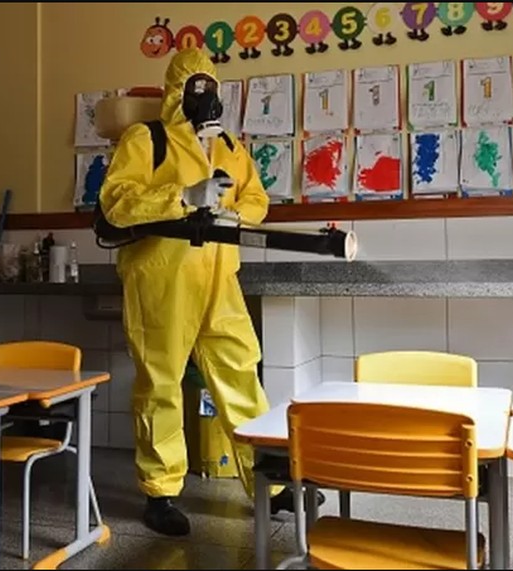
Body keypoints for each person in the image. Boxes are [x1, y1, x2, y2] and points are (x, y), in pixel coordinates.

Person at [98, 48, 321, 537]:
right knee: (160, 384)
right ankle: (161, 492)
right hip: (162, 279)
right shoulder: (147, 138)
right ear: (178, 91)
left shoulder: (230, 148)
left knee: (241, 374)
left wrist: (234, 214)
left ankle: (269, 480)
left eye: (211, 86)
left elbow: (257, 198)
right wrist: (182, 196)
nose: (205, 97)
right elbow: (116, 202)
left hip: (219, 279)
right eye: (194, 86)